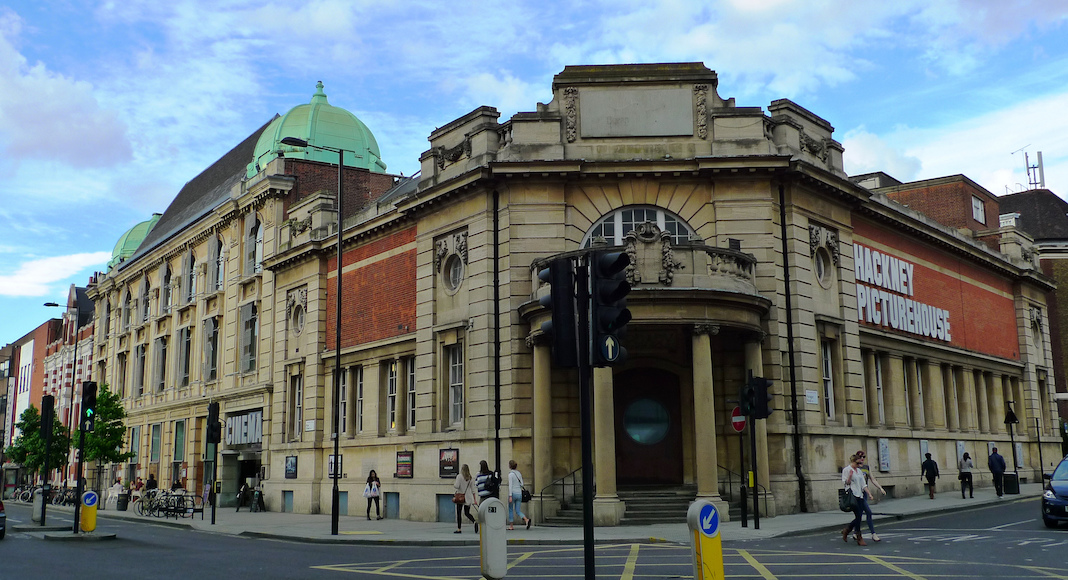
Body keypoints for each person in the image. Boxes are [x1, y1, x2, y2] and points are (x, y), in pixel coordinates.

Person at [841, 453, 874, 546]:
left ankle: (847, 530)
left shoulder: (859, 471)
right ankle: (859, 537)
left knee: (859, 516)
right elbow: (845, 483)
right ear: (853, 462)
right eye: (857, 463)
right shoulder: (847, 470)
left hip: (860, 495)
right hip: (852, 496)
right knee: (858, 516)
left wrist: (869, 493)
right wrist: (850, 477)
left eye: (860, 463)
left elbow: (863, 485)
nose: (859, 465)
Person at [453, 464, 478, 534]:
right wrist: (475, 500)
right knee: (467, 513)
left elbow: (457, 486)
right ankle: (474, 521)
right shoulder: (470, 478)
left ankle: (459, 528)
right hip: (468, 498)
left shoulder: (459, 476)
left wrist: (453, 484)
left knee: (459, 513)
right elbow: (473, 490)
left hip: (460, 497)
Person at [507, 459, 531, 531]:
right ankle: (526, 519)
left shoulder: (510, 474)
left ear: (510, 466)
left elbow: (510, 486)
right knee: (518, 510)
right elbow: (522, 484)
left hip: (513, 493)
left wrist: (510, 495)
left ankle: (511, 526)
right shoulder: (519, 473)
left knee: (511, 509)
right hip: (519, 493)